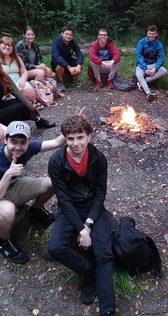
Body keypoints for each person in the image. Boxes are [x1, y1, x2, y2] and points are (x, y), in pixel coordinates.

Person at [48, 115, 115, 315]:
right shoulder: (56, 161)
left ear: (89, 136)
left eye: (80, 137)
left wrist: (88, 224)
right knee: (56, 247)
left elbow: (101, 192)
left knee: (104, 253)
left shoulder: (98, 158)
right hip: (70, 208)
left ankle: (108, 309)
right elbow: (63, 199)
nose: (75, 143)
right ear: (65, 139)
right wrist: (81, 229)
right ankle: (89, 272)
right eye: (70, 139)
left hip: (93, 208)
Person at [0, 121, 66, 264]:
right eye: (13, 141)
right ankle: (4, 241)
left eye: (22, 142)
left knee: (52, 183)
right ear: (5, 140)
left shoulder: (28, 147)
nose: (18, 147)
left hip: (12, 187)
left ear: (28, 140)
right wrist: (8, 174)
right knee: (7, 210)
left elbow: (57, 142)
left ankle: (35, 211)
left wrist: (72, 127)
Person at [0, 54, 55, 129]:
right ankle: (36, 121)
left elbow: (17, 92)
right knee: (20, 107)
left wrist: (31, 107)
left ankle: (39, 120)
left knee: (20, 102)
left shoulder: (3, 76)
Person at [0, 36, 38, 108]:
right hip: (4, 83)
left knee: (28, 90)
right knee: (14, 99)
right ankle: (27, 105)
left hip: (17, 80)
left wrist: (22, 82)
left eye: (10, 46)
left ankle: (32, 103)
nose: (7, 47)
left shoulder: (16, 57)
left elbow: (24, 71)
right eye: (5, 44)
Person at [134, 25, 168, 102]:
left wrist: (154, 69)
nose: (151, 35)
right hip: (142, 65)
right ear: (147, 33)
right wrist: (145, 69)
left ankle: (143, 82)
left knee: (164, 71)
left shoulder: (159, 45)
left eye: (153, 34)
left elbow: (161, 58)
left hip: (153, 64)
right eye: (150, 33)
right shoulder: (141, 42)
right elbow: (139, 56)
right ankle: (148, 93)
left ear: (156, 34)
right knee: (139, 74)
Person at [51, 26, 84, 90]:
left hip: (68, 60)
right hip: (57, 62)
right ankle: (60, 82)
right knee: (60, 66)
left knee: (79, 64)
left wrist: (79, 65)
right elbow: (56, 57)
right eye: (66, 34)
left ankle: (74, 79)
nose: (68, 36)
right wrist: (69, 67)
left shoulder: (73, 43)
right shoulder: (55, 42)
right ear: (62, 34)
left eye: (70, 35)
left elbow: (79, 54)